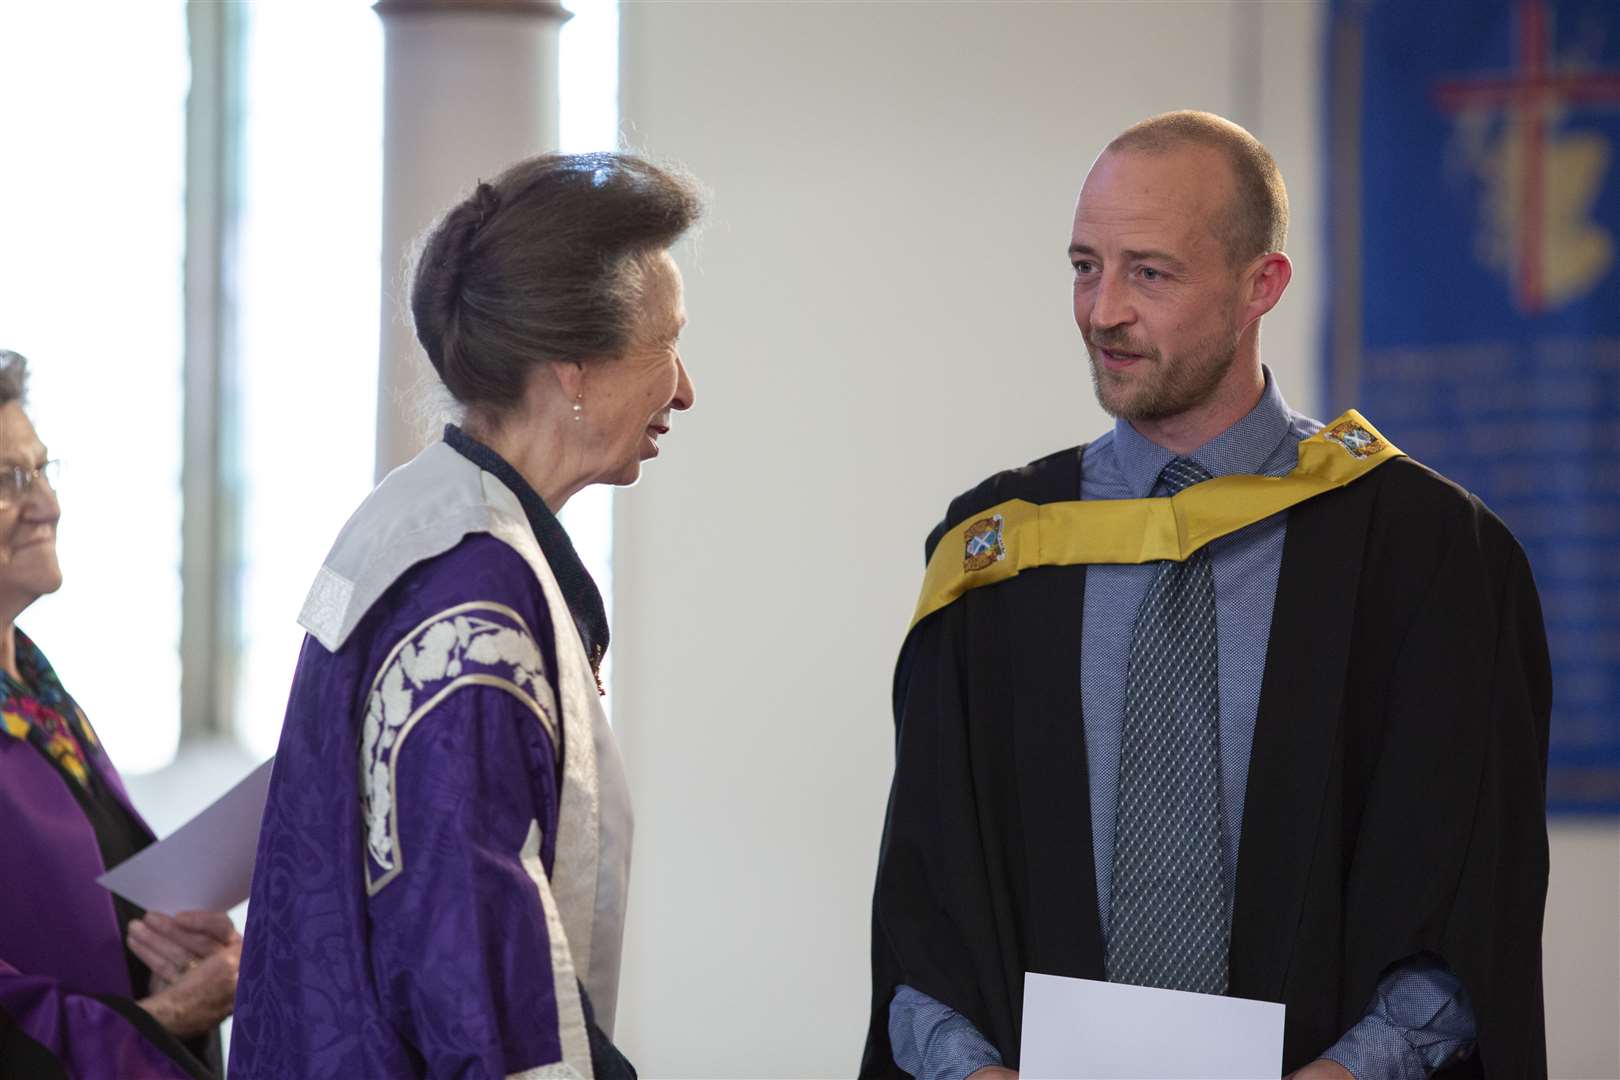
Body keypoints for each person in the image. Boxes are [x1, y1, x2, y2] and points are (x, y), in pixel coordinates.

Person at [863, 112, 1550, 1080]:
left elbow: (1466, 910)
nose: (1102, 311)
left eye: (1149, 272)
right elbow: (926, 918)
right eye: (1083, 266)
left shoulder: (1427, 554)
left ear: (1259, 285)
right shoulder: (996, 556)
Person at [229, 152, 701, 1079]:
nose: (684, 388)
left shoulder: (403, 520)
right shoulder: (473, 593)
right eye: (667, 344)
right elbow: (474, 989)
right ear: (574, 364)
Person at [0, 349, 241, 1079]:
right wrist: (165, 1020)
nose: (47, 503)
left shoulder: (41, 699)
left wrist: (177, 963)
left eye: (43, 469)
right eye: (10, 480)